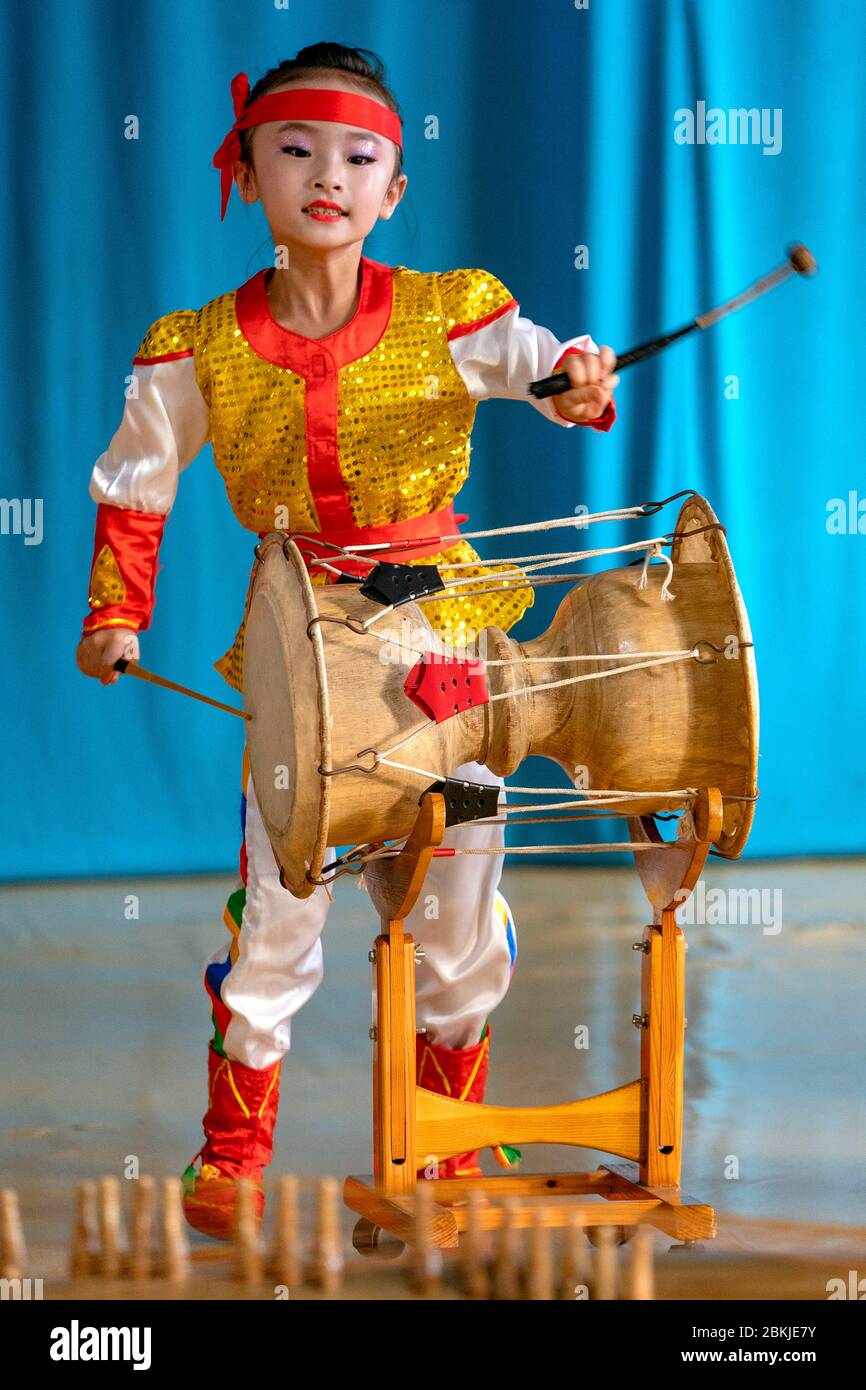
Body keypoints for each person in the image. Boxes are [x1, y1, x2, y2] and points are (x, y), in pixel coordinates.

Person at [75, 41, 618, 1241]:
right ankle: (231, 1156)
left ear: (393, 191)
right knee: (279, 909)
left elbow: (555, 371)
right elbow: (137, 484)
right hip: (300, 654)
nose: (327, 175)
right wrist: (117, 611)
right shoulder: (195, 345)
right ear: (251, 173)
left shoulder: (449, 311)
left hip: (448, 646)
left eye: (358, 156)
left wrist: (577, 381)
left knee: (458, 916)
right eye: (296, 150)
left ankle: (437, 1154)